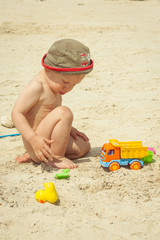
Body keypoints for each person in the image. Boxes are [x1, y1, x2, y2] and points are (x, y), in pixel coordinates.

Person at [11, 39, 94, 169]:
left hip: (46, 142)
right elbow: (17, 114)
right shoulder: (37, 87)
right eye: (65, 82)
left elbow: (48, 115)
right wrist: (33, 140)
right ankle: (56, 157)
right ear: (48, 69)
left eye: (74, 84)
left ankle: (44, 155)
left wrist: (68, 129)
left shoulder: (55, 87)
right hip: (37, 142)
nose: (68, 88)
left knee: (84, 146)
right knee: (64, 111)